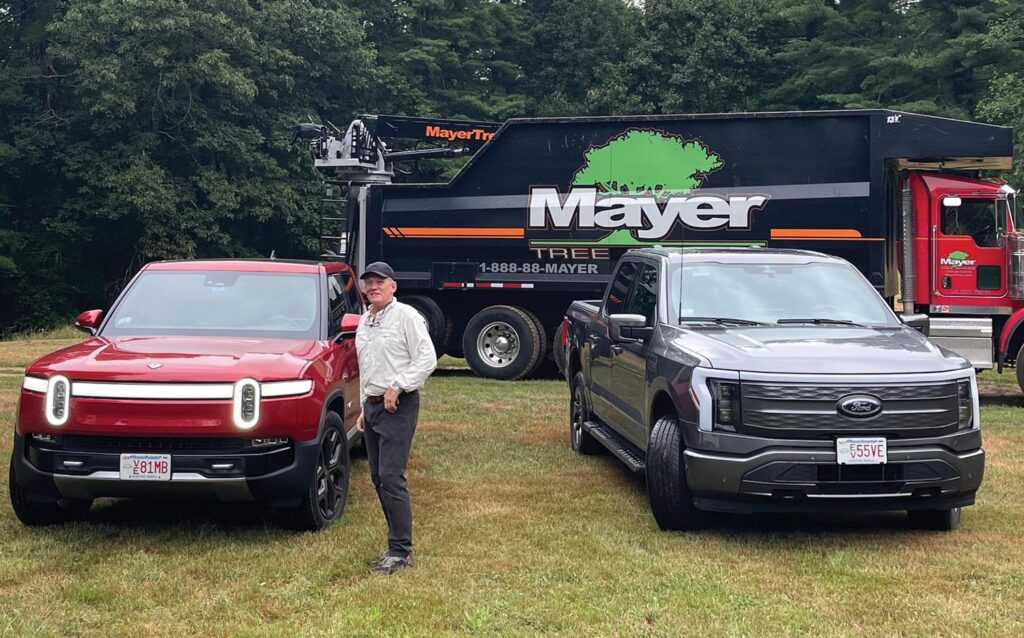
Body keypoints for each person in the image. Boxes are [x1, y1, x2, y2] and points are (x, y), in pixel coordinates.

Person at [355, 261, 437, 574]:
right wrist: (364, 405)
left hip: (397, 406)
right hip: (374, 406)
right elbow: (368, 366)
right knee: (377, 477)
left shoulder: (406, 317)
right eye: (369, 282)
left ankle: (401, 551)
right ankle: (394, 544)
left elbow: (426, 358)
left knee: (391, 477)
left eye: (380, 282)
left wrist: (399, 385)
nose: (373, 287)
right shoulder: (367, 320)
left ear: (393, 286)